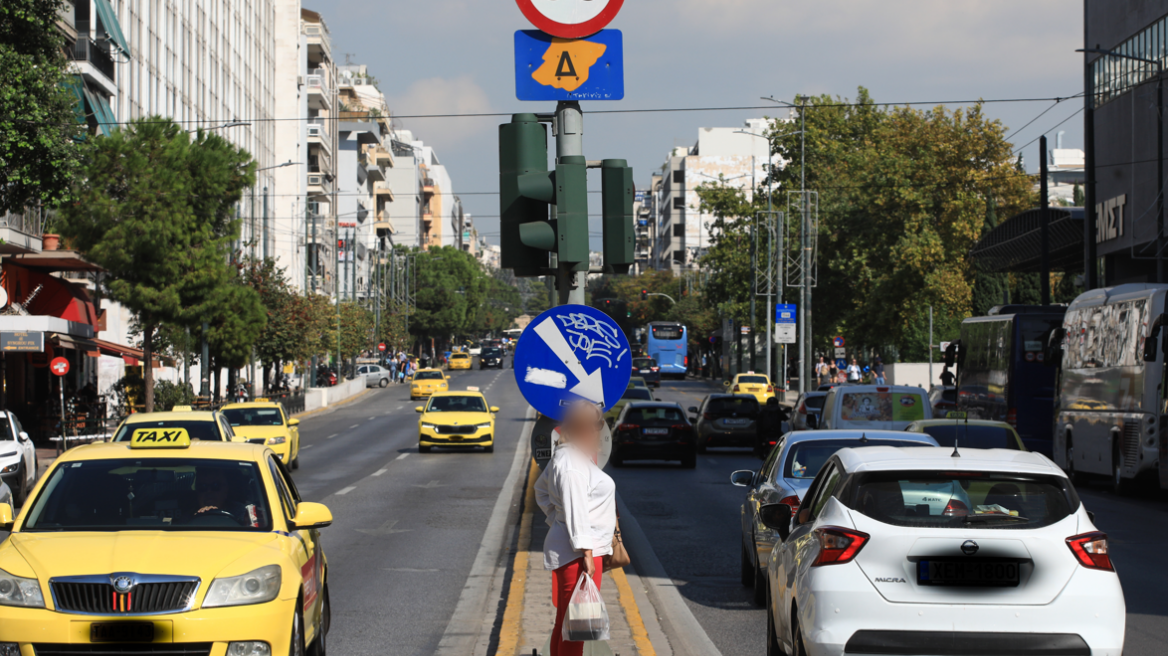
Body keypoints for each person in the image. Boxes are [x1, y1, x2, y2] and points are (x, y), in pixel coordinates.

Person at [535, 401, 616, 656]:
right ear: (583, 426)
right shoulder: (572, 462)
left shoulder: (569, 455)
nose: (598, 430)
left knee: (566, 623)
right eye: (596, 424)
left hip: (575, 550)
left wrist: (557, 520)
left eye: (600, 423)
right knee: (578, 629)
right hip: (579, 554)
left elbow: (541, 492)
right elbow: (575, 507)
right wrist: (587, 553)